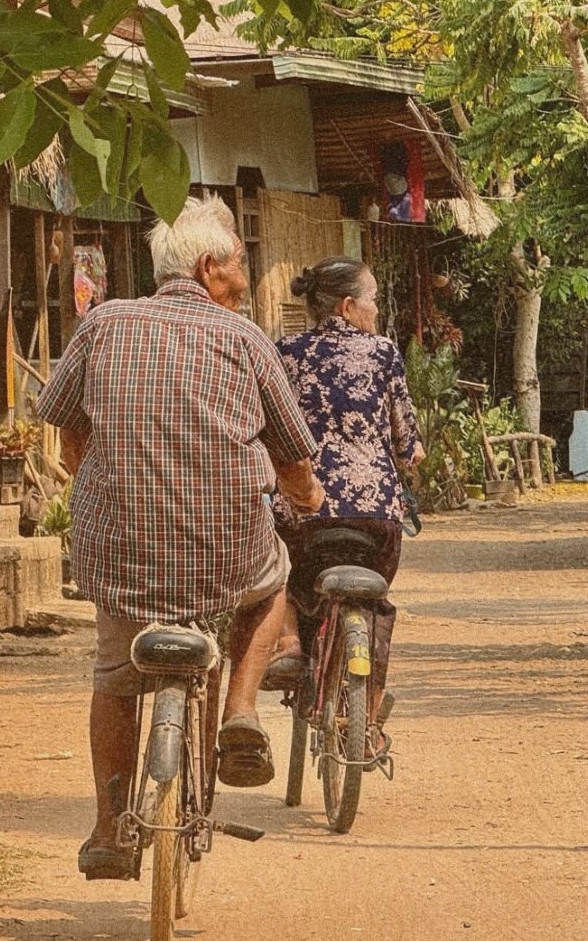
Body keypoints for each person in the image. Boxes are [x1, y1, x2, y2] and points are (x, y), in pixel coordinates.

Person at [36, 195, 325, 880]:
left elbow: (67, 429)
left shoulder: (102, 324)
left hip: (119, 549)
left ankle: (110, 830)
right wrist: (309, 498)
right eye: (239, 260)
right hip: (226, 549)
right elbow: (291, 458)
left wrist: (107, 478)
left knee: (114, 673)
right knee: (271, 582)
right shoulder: (246, 338)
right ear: (207, 268)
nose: (247, 273)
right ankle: (242, 710)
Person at [268, 256, 424, 731]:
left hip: (303, 508)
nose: (376, 310)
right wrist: (410, 452)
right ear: (349, 304)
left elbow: (269, 426)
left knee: (284, 573)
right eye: (372, 300)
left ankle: (291, 641)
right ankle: (369, 719)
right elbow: (407, 441)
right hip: (375, 515)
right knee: (372, 602)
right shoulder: (382, 353)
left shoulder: (285, 352)